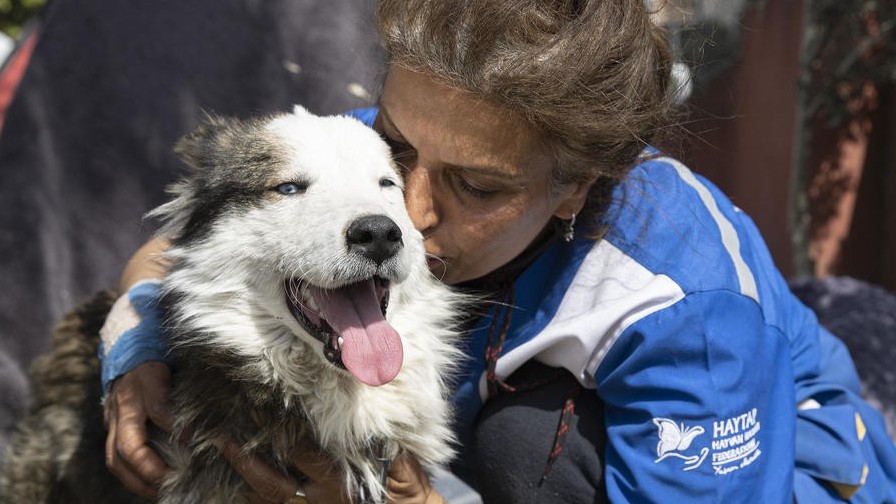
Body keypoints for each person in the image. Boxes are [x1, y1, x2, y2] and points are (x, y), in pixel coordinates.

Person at [99, 0, 896, 502]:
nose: (405, 214)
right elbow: (186, 241)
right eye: (395, 152)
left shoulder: (685, 306)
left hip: (776, 475)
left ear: (576, 186)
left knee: (529, 448)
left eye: (477, 188)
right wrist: (137, 344)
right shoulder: (451, 116)